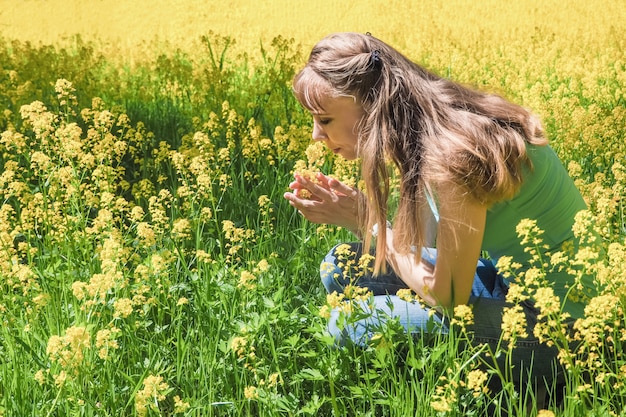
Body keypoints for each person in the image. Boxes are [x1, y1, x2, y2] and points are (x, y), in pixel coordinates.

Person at [282, 32, 592, 391]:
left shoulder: (455, 155)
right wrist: (367, 216)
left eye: (325, 120)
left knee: (350, 323)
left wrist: (367, 223)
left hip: (568, 331)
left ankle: (524, 385)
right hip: (509, 285)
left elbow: (447, 295)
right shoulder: (425, 132)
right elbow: (426, 248)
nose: (316, 135)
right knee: (341, 264)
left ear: (370, 107)